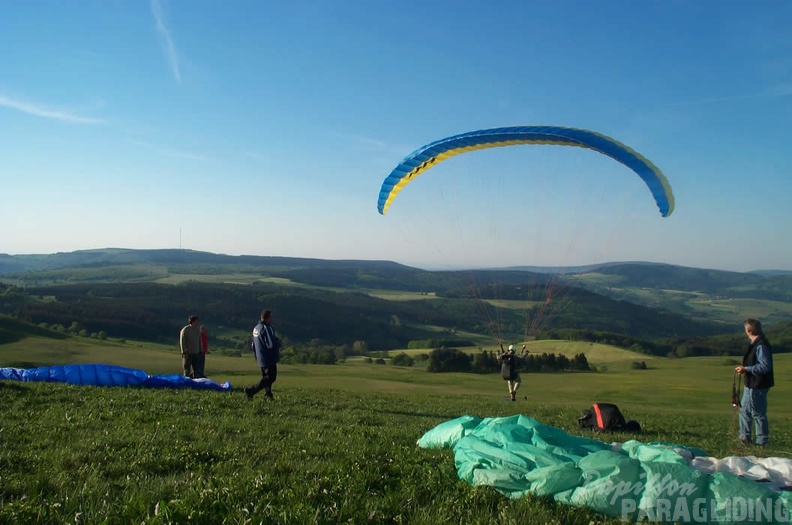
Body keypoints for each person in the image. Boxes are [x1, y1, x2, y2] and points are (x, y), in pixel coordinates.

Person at [735, 318, 774, 446]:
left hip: (757, 385)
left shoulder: (761, 345)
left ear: (748, 330)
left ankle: (762, 442)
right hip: (751, 384)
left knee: (758, 413)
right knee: (745, 411)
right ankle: (744, 439)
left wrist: (746, 369)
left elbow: (765, 366)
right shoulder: (756, 343)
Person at [245, 309, 282, 400]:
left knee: (265, 377)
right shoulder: (266, 328)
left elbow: (253, 344)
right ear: (268, 317)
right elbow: (270, 344)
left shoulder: (256, 328)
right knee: (271, 377)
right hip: (268, 357)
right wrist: (278, 343)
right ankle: (252, 390)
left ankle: (268, 394)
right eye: (271, 317)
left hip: (260, 356)